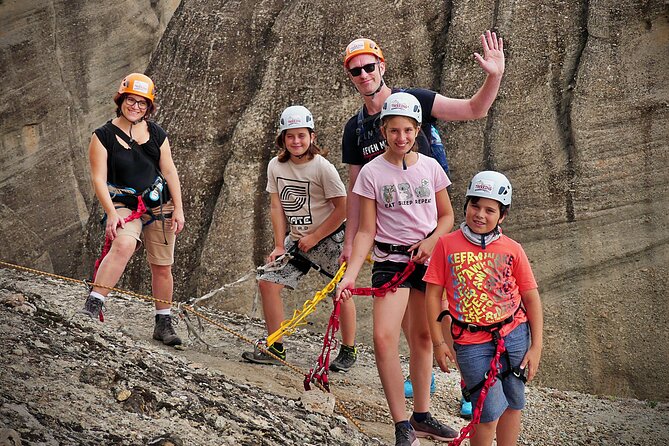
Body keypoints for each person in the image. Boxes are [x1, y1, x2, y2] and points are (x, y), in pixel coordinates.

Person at [331, 31, 505, 380]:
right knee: (416, 326)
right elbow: (356, 191)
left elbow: (474, 109)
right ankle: (423, 383)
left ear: (381, 65)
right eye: (356, 71)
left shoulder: (415, 100)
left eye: (369, 66)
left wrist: (494, 75)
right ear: (350, 77)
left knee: (449, 313)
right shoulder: (356, 129)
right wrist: (350, 243)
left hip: (435, 230)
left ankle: (472, 383)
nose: (364, 75)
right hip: (395, 242)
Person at [336, 93, 458, 446]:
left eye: (408, 130)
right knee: (383, 337)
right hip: (391, 261)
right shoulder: (372, 173)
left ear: (417, 130)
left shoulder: (431, 167)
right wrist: (349, 276)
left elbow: (447, 216)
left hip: (426, 260)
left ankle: (422, 415)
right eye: (394, 131)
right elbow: (365, 230)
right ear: (383, 131)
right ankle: (401, 422)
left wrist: (433, 240)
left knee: (422, 337)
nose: (401, 137)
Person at [424, 171, 544, 446]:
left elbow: (530, 296)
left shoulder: (512, 249)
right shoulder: (446, 245)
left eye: (490, 210)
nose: (480, 214)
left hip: (514, 334)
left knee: (514, 402)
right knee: (487, 412)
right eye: (474, 206)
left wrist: (536, 346)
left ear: (502, 216)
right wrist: (439, 342)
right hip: (470, 342)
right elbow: (433, 296)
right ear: (465, 205)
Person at [80, 73, 186, 346]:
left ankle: (163, 322)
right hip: (124, 204)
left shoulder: (156, 134)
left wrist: (179, 208)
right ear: (121, 100)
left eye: (142, 103)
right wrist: (112, 214)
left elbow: (169, 169)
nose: (135, 106)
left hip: (159, 204)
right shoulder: (103, 136)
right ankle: (93, 305)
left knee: (162, 265)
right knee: (124, 245)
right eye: (131, 100)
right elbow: (98, 179)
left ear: (149, 107)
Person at [241, 105, 347, 365]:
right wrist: (279, 244)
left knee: (341, 291)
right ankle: (275, 346)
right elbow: (276, 206)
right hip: (298, 241)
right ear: (282, 138)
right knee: (268, 282)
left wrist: (316, 236)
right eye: (290, 136)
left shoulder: (323, 168)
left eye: (301, 135)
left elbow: (343, 207)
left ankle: (349, 350)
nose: (296, 141)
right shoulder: (276, 166)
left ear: (312, 137)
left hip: (332, 238)